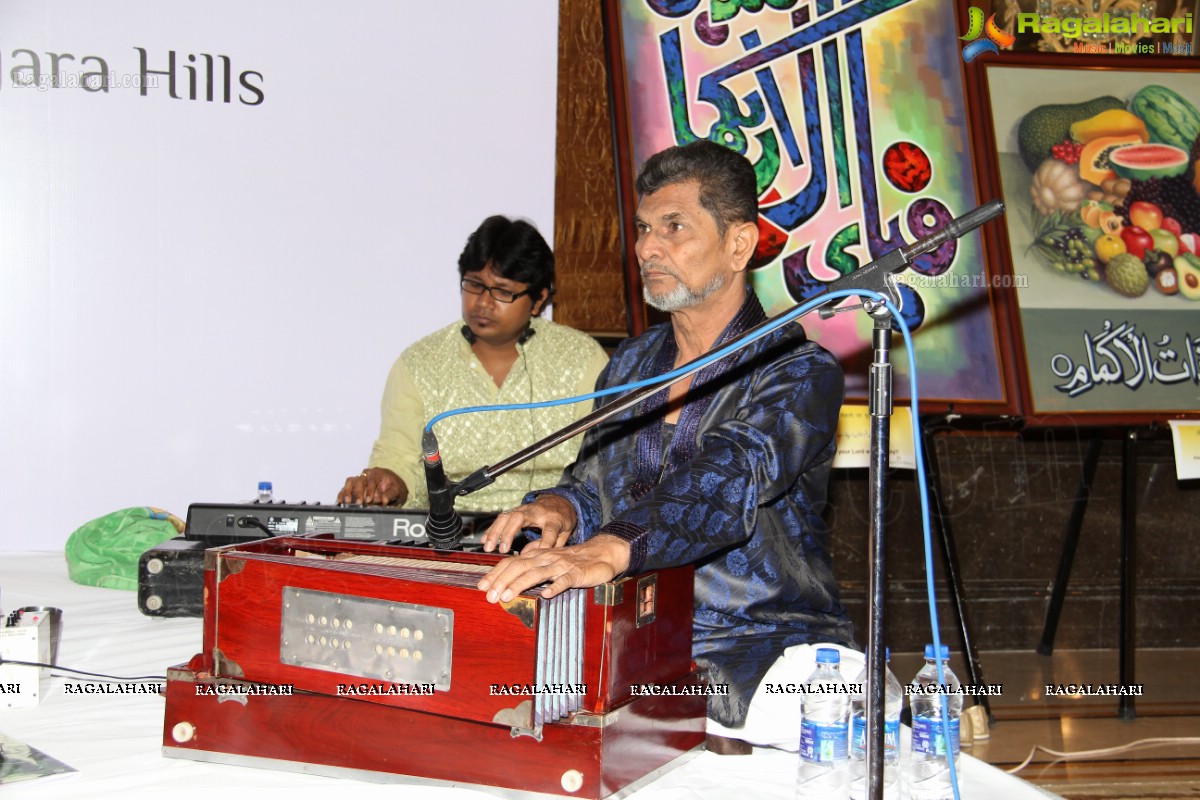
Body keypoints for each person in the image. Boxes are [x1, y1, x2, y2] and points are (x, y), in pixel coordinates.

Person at [477, 141, 856, 748]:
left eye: (675, 227)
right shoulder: (632, 364)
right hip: (631, 634)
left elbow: (726, 483)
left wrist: (610, 548)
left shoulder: (798, 371)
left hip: (755, 641)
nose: (648, 248)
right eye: (645, 229)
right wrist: (563, 508)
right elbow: (596, 481)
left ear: (739, 244)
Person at [338, 215, 608, 513]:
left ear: (538, 299)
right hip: (448, 541)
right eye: (474, 285)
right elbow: (399, 457)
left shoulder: (582, 360)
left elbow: (601, 466)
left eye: (503, 291)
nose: (483, 302)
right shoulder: (419, 364)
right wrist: (388, 481)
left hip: (550, 539)